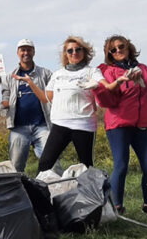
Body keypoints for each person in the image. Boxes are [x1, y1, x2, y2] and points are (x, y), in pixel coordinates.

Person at [89, 35, 147, 218]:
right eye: (112, 50)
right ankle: (117, 208)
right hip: (119, 125)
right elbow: (108, 101)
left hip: (142, 126)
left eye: (121, 46)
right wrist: (114, 83)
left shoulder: (143, 69)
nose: (118, 51)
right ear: (110, 54)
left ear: (128, 47)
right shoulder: (110, 72)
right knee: (121, 166)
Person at [29, 36, 104, 172]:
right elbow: (48, 97)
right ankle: (43, 193)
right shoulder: (58, 74)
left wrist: (97, 85)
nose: (74, 53)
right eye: (70, 50)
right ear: (65, 54)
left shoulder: (92, 71)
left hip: (84, 124)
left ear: (84, 51)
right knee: (45, 164)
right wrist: (30, 82)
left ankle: (90, 192)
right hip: (60, 124)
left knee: (86, 166)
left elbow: (104, 85)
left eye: (78, 49)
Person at [0, 39, 59, 173]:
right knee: (16, 166)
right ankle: (18, 191)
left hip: (43, 126)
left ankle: (57, 190)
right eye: (23, 50)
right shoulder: (9, 76)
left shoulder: (45, 73)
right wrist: (0, 106)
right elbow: (6, 99)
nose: (26, 53)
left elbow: (52, 96)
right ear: (18, 53)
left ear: (34, 52)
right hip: (19, 128)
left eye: (29, 49)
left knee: (53, 163)